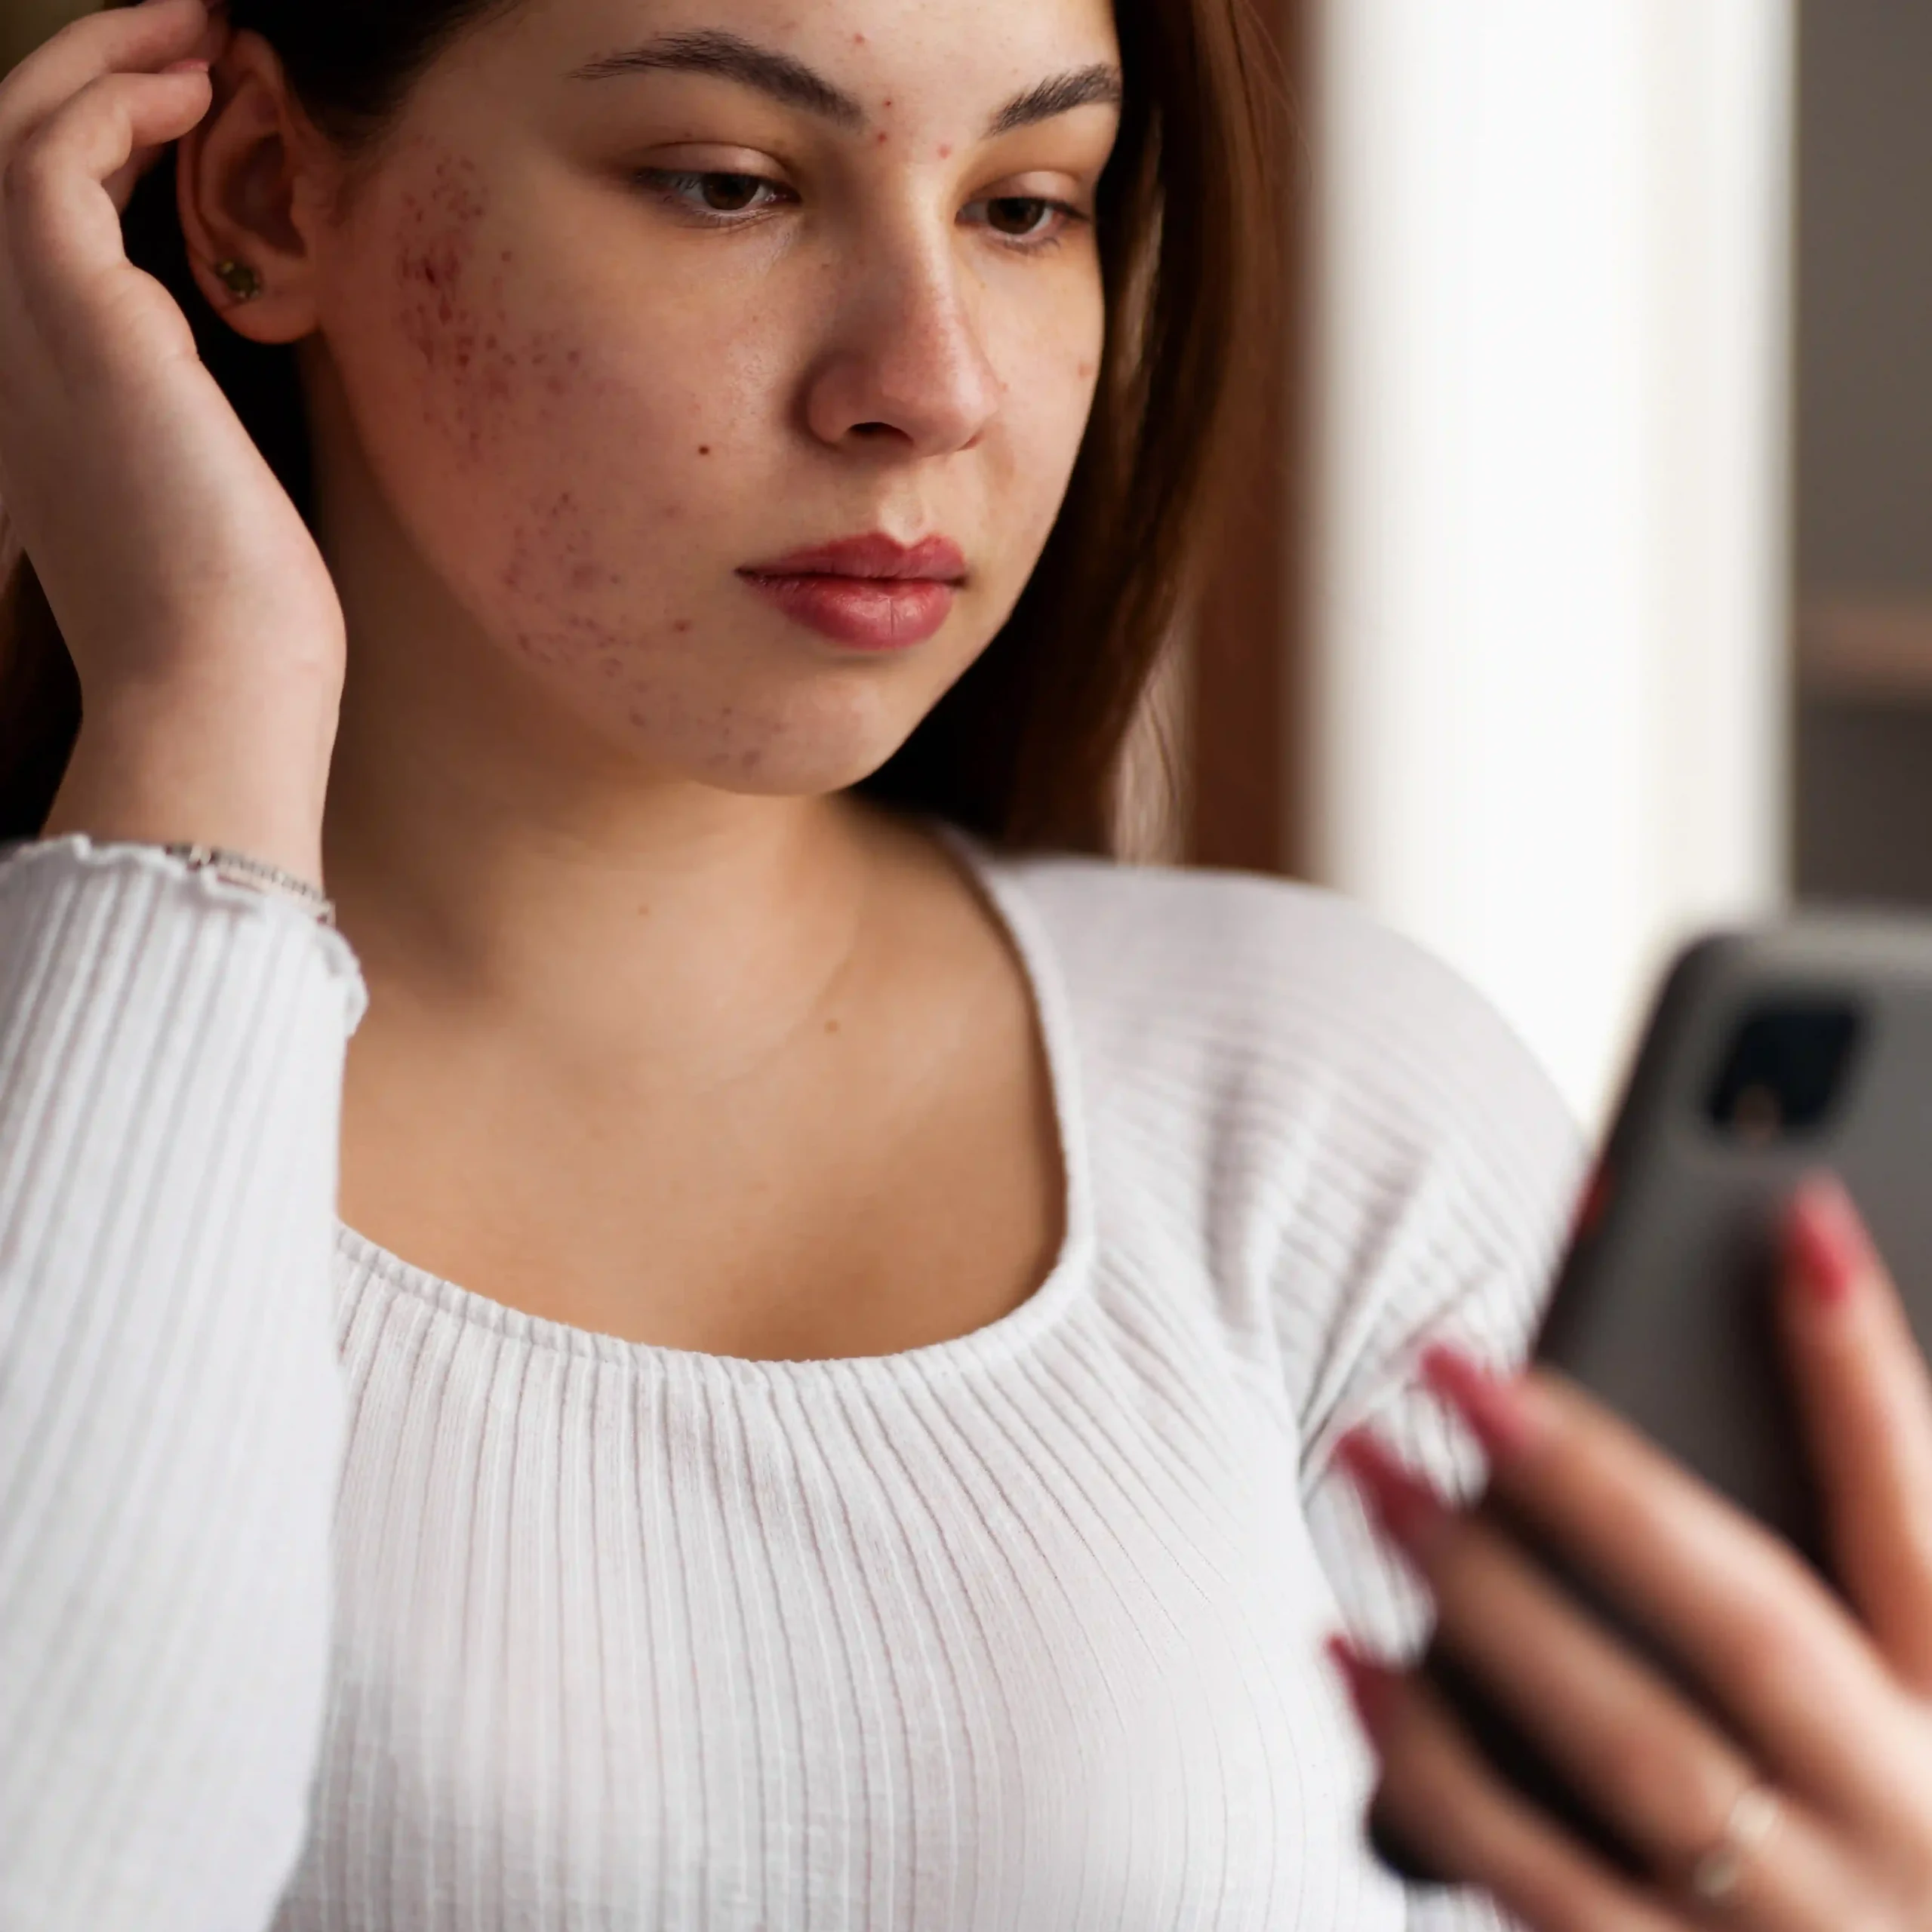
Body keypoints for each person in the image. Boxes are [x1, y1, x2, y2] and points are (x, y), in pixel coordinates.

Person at [6, 1, 1932, 1927]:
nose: (929, 384)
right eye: (727, 184)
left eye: (1023, 206)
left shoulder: (1326, 1112)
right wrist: (199, 691)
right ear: (263, 191)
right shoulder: (62, 1124)